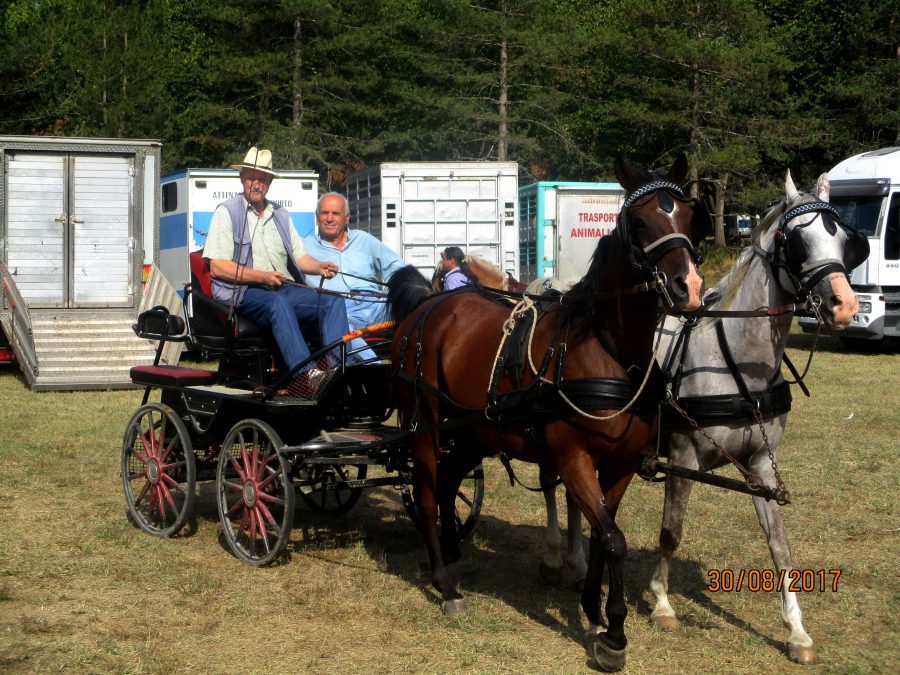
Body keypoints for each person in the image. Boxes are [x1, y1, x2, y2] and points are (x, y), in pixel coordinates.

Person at [204, 147, 349, 386]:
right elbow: (218, 268)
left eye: (262, 178)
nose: (256, 183)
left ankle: (336, 370)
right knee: (277, 303)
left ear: (270, 182)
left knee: (333, 301)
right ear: (242, 178)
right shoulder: (227, 212)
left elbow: (300, 258)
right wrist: (262, 277)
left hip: (280, 288)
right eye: (251, 177)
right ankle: (307, 375)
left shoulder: (280, 214)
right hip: (241, 292)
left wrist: (319, 266)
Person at [303, 192, 405, 360]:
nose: (329, 218)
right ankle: (375, 371)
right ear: (317, 216)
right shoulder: (304, 247)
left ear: (346, 218)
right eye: (324, 213)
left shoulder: (363, 239)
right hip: (340, 310)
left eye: (335, 213)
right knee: (338, 327)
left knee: (417, 312)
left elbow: (396, 266)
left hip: (376, 305)